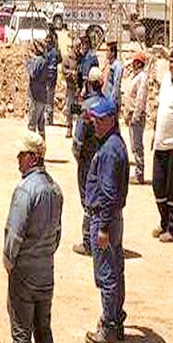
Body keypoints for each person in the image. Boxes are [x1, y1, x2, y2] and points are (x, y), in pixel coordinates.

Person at [2, 131, 62, 343]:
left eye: (21, 156)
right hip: (46, 272)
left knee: (21, 331)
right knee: (44, 331)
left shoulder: (25, 190)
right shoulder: (55, 190)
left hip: (25, 272)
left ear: (33, 157)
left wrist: (9, 262)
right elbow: (57, 234)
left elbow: (15, 234)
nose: (18, 161)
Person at [83, 97, 130, 343]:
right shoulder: (114, 143)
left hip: (105, 219)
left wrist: (101, 228)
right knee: (115, 270)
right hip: (112, 218)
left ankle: (110, 326)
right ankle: (115, 319)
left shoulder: (110, 150)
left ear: (111, 120)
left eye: (100, 120)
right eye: (95, 120)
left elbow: (109, 193)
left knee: (107, 274)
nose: (96, 125)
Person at [73, 67, 104, 256]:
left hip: (87, 161)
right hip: (102, 159)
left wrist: (78, 156)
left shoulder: (86, 108)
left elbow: (77, 141)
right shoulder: (107, 104)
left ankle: (87, 241)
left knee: (87, 200)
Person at [151, 57, 173, 243]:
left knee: (172, 189)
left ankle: (172, 228)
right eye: (171, 61)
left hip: (172, 146)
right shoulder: (166, 79)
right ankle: (163, 221)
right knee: (158, 186)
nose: (172, 65)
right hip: (160, 143)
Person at [125, 52, 149, 185]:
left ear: (139, 63)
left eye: (134, 62)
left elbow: (140, 99)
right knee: (134, 144)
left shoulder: (142, 78)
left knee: (138, 145)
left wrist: (135, 115)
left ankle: (140, 174)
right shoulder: (136, 76)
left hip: (137, 116)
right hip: (131, 115)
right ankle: (137, 172)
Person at [27, 39, 50, 141]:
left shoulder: (38, 61)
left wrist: (29, 62)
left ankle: (32, 148)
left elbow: (32, 73)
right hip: (42, 95)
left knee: (32, 124)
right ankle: (42, 148)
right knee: (41, 124)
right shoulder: (44, 60)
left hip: (36, 96)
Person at [61, 37, 82, 138]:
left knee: (78, 110)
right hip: (70, 87)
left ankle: (78, 131)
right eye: (77, 46)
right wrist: (71, 73)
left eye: (79, 46)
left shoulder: (81, 58)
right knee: (69, 109)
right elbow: (63, 70)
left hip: (79, 88)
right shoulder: (67, 58)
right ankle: (69, 128)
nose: (78, 48)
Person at [101, 40, 124, 123]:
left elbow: (116, 84)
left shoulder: (117, 66)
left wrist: (111, 102)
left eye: (107, 51)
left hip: (112, 101)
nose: (106, 53)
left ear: (113, 53)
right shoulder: (108, 65)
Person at [44, 31, 60, 126]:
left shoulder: (50, 52)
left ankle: (49, 118)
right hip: (51, 77)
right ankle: (50, 118)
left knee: (49, 97)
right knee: (50, 97)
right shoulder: (54, 51)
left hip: (49, 77)